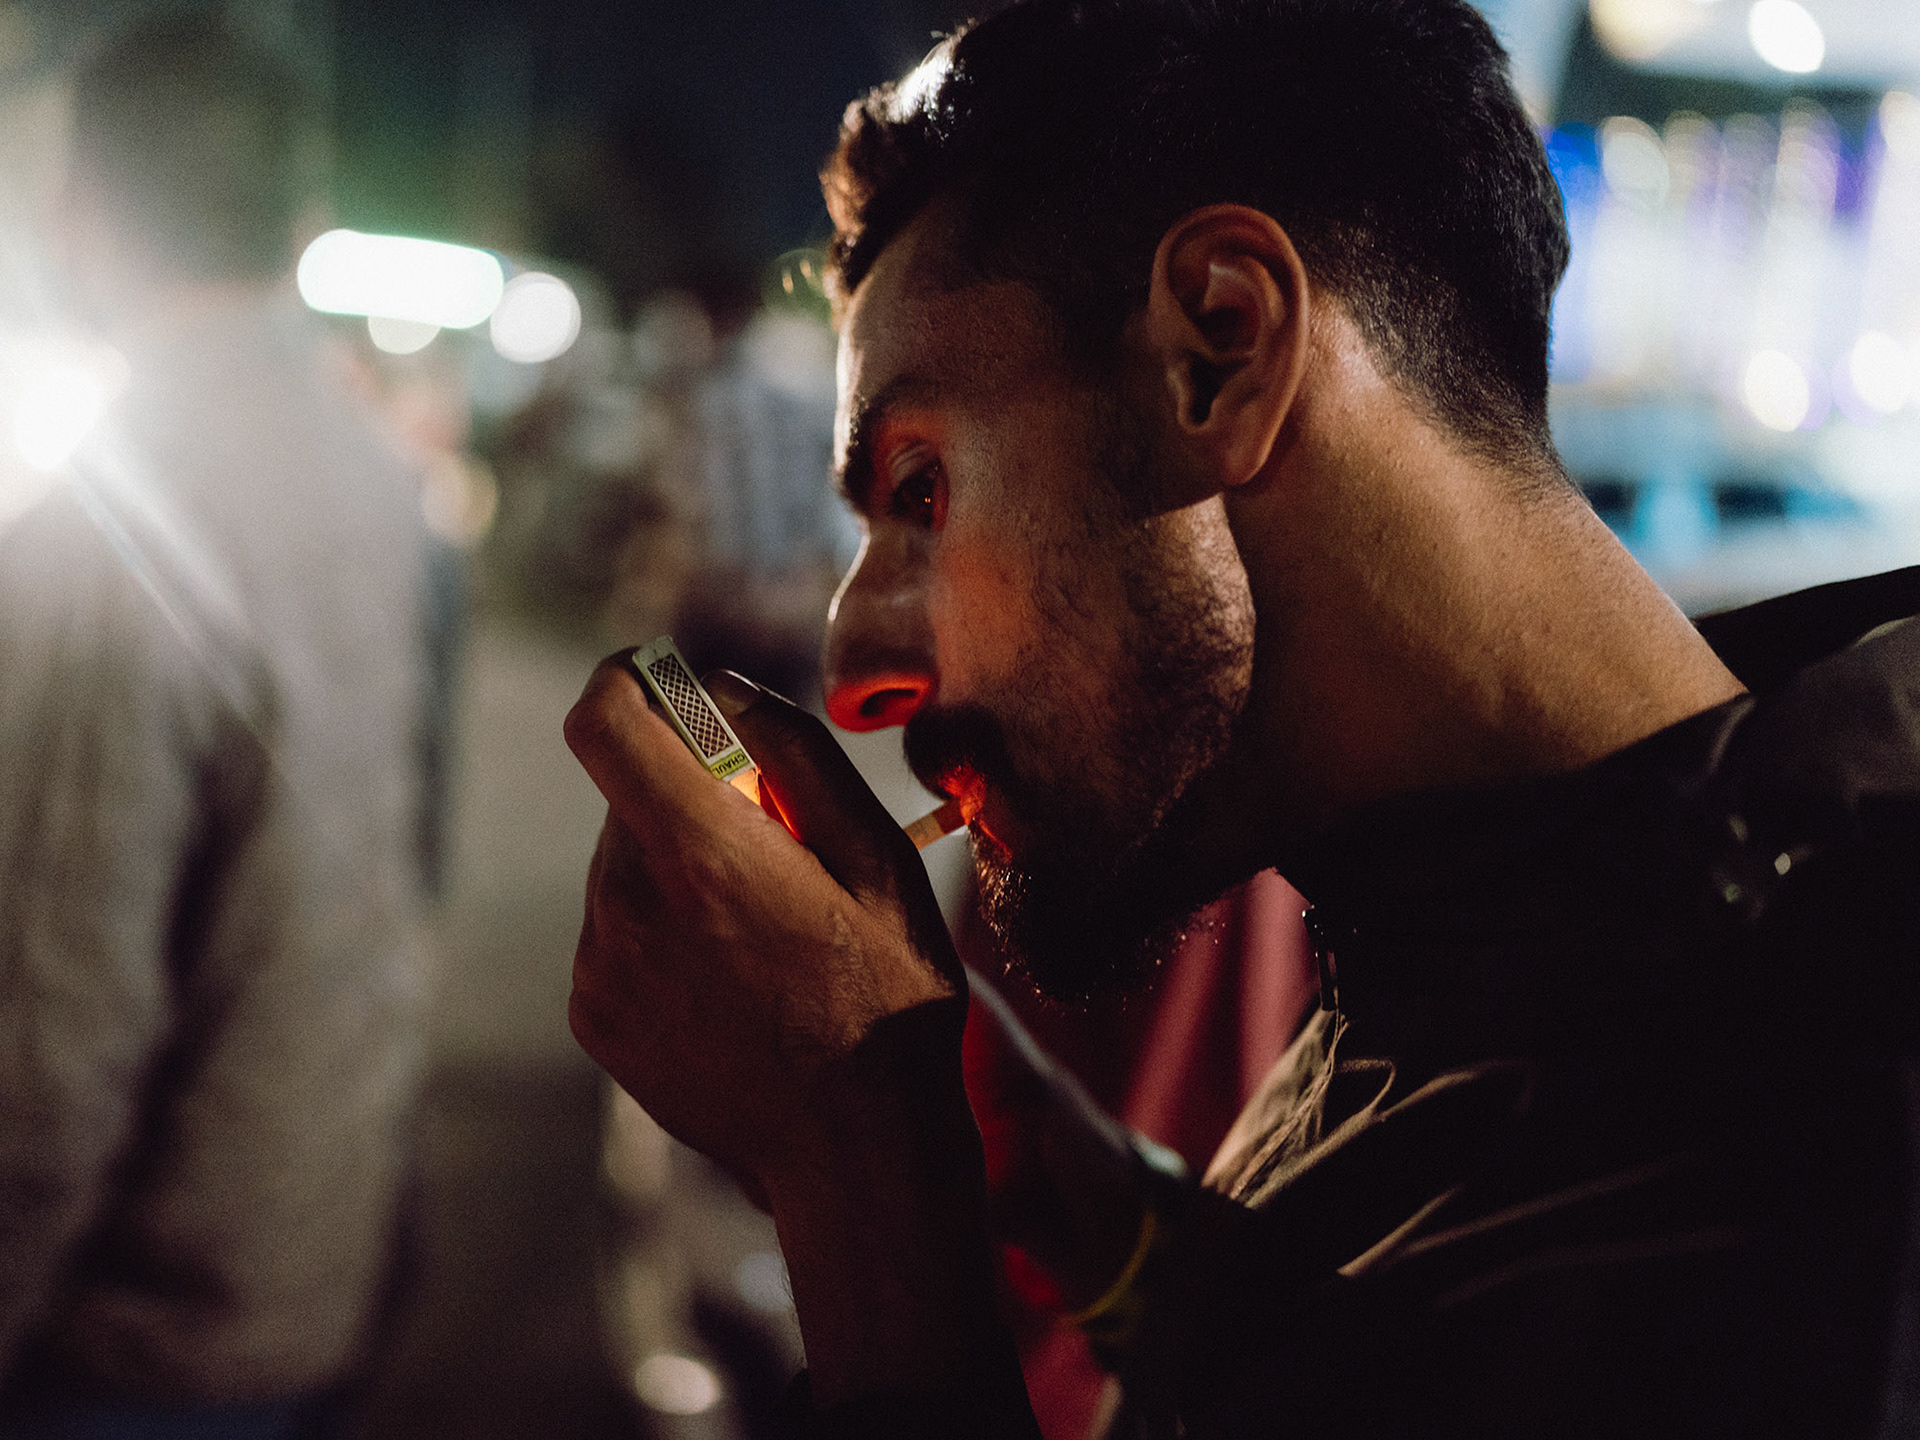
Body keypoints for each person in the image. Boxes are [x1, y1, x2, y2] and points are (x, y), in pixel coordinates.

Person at [561, 0, 1920, 1434]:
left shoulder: (1828, 1180)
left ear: (1221, 345)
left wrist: (865, 1187)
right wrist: (1081, 1200)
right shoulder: (1489, 935)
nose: (854, 669)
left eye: (920, 488)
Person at [0, 18, 430, 1437]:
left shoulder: (98, 537)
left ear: (75, 210)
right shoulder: (379, 479)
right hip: (313, 1254)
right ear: (298, 220)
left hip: (133, 1338)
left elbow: (47, 1045)